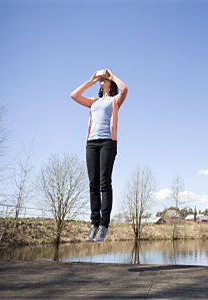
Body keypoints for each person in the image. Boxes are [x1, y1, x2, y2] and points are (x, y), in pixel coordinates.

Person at [70, 69, 128, 242]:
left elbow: (125, 89)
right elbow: (74, 95)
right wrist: (91, 81)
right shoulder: (93, 102)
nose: (103, 81)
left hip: (107, 143)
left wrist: (112, 76)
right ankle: (94, 224)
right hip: (92, 143)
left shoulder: (115, 100)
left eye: (105, 80)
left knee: (104, 182)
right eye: (102, 80)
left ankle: (104, 225)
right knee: (92, 183)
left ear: (110, 83)